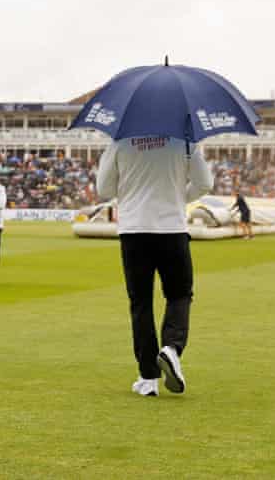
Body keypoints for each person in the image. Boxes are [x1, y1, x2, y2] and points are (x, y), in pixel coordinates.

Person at [97, 136, 213, 397]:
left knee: (140, 302)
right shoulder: (184, 141)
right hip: (172, 228)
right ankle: (171, 348)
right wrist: (178, 197)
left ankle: (148, 377)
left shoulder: (119, 142)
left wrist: (130, 191)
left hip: (134, 229)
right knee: (179, 294)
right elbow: (205, 183)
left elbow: (104, 189)